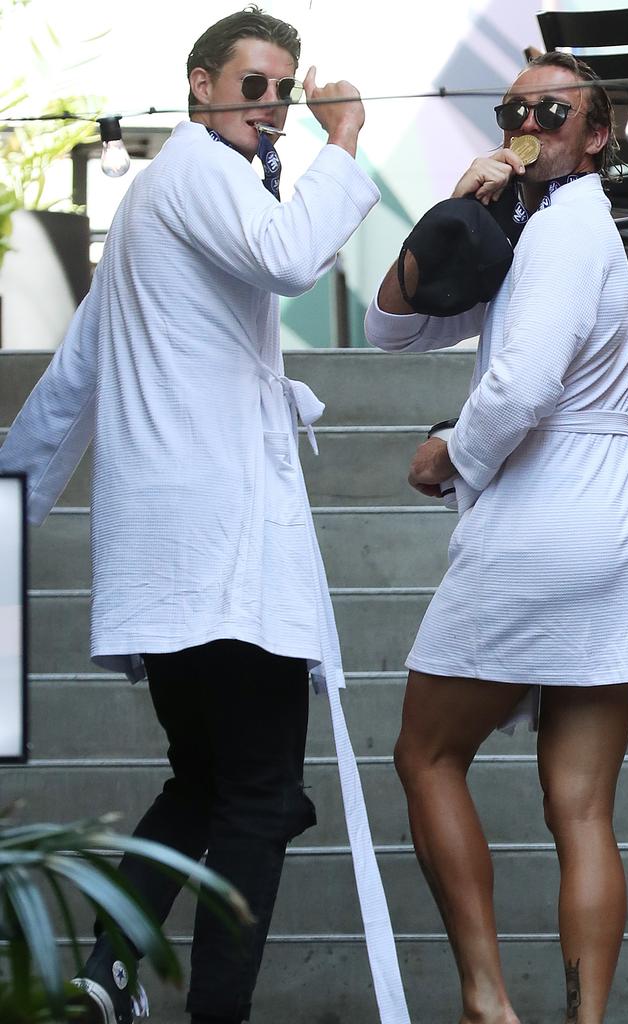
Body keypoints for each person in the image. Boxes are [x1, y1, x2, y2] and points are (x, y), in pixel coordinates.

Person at [0, 8, 410, 1024]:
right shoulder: (204, 174)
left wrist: (12, 489)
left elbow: (79, 371)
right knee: (263, 797)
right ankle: (212, 1011)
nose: (273, 108)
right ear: (200, 84)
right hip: (223, 552)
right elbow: (287, 254)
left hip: (171, 552)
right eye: (257, 87)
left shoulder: (156, 197)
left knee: (208, 779)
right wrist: (344, 139)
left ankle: (107, 970)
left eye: (287, 88)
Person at [365, 51, 628, 1024]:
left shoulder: (565, 237)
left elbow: (521, 388)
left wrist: (447, 457)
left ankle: (486, 1001)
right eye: (516, 108)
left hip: (548, 517)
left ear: (596, 134)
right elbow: (394, 328)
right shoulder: (533, 230)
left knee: (424, 757)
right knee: (581, 807)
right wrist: (456, 212)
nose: (532, 120)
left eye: (556, 109)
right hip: (612, 527)